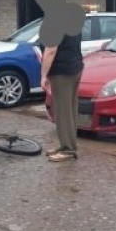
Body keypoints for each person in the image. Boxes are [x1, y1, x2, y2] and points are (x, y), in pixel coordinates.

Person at [40, 30, 84, 162]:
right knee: (70, 110)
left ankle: (68, 149)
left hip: (61, 72)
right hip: (75, 68)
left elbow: (50, 51)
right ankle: (67, 144)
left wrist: (43, 75)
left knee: (62, 111)